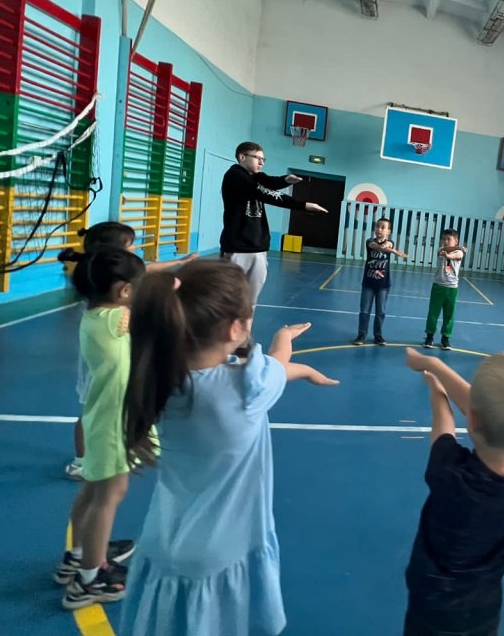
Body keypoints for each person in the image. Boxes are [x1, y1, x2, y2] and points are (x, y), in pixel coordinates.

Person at [118, 260, 339, 636]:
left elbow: (269, 369)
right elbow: (276, 364)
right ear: (235, 328)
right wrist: (285, 340)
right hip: (220, 556)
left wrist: (297, 368)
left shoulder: (161, 375)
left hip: (162, 545)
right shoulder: (246, 387)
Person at [403, 347, 504, 636]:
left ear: (471, 418)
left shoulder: (452, 476)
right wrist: (435, 366)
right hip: (484, 606)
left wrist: (436, 385)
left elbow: (444, 424)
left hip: (432, 607)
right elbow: (490, 414)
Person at [58, 222, 197, 480]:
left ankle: (121, 448)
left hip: (110, 367)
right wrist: (174, 286)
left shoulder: (101, 295)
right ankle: (84, 460)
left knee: (102, 410)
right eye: (130, 245)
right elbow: (148, 305)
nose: (134, 248)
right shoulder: (115, 315)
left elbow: (144, 278)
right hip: (104, 373)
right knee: (94, 413)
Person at [56, 247, 146, 609]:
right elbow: (155, 317)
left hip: (102, 415)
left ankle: (78, 556)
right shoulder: (116, 318)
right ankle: (90, 580)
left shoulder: (95, 315)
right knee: (108, 496)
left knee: (92, 492)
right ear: (124, 291)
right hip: (113, 421)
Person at [220, 141, 328, 305]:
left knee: (250, 302)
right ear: (242, 157)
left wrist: (286, 180)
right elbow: (266, 193)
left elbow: (270, 181)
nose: (261, 162)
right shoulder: (235, 176)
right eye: (257, 158)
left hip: (258, 248)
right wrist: (303, 205)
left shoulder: (255, 176)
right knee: (229, 300)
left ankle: (245, 323)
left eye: (263, 159)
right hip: (237, 248)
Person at [354, 216, 408, 346]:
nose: (379, 229)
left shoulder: (390, 242)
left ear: (388, 232)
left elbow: (387, 245)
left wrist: (390, 247)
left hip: (383, 285)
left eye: (383, 227)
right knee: (364, 311)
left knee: (380, 312)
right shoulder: (369, 241)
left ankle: (378, 335)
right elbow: (377, 247)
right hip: (368, 283)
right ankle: (361, 335)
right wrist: (395, 252)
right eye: (377, 226)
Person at [422, 228, 466, 350]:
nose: (445, 241)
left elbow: (457, 255)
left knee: (449, 315)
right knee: (433, 313)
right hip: (438, 287)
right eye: (443, 239)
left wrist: (452, 253)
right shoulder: (440, 250)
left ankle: (445, 338)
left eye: (448, 239)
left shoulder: (460, 252)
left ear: (456, 241)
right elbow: (446, 252)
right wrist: (450, 252)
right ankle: (429, 336)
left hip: (452, 289)